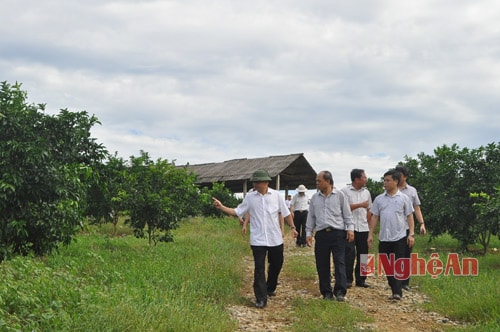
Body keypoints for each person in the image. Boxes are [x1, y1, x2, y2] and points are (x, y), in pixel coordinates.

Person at [212, 169, 298, 309]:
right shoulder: (250, 197)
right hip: (258, 239)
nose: (255, 184)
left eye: (257, 182)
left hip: (275, 237)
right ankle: (261, 298)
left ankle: (270, 287)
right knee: (259, 268)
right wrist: (221, 207)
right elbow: (237, 211)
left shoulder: (276, 196)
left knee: (277, 263)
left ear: (265, 182)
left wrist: (293, 227)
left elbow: (286, 213)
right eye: (254, 182)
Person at [306, 171, 354, 301]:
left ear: (328, 181)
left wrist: (350, 229)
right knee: (322, 264)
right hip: (321, 234)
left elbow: (347, 215)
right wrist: (308, 233)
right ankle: (326, 292)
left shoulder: (340, 196)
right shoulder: (315, 198)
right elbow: (311, 216)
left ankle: (340, 291)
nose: (317, 183)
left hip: (338, 233)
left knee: (339, 262)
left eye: (319, 181)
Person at [368, 169, 415, 301]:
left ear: (396, 181)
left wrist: (411, 234)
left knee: (397, 264)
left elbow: (410, 217)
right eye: (384, 180)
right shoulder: (379, 199)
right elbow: (375, 217)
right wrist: (370, 234)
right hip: (384, 237)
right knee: (387, 264)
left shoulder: (404, 198)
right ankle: (393, 285)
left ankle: (397, 292)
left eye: (388, 180)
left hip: (399, 236)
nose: (385, 183)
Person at [395, 165, 427, 291]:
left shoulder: (412, 191)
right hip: (395, 227)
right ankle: (394, 282)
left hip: (408, 227)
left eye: (400, 175)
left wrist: (422, 223)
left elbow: (417, 208)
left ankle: (405, 282)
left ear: (405, 176)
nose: (397, 177)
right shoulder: (391, 189)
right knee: (395, 255)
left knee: (406, 255)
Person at [340, 169, 372, 288]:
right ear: (357, 179)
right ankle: (348, 279)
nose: (366, 179)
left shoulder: (367, 193)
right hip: (349, 227)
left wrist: (369, 228)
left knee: (364, 254)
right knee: (349, 254)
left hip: (363, 227)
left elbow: (369, 210)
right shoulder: (344, 191)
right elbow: (343, 209)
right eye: (364, 177)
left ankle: (362, 279)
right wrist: (360, 205)